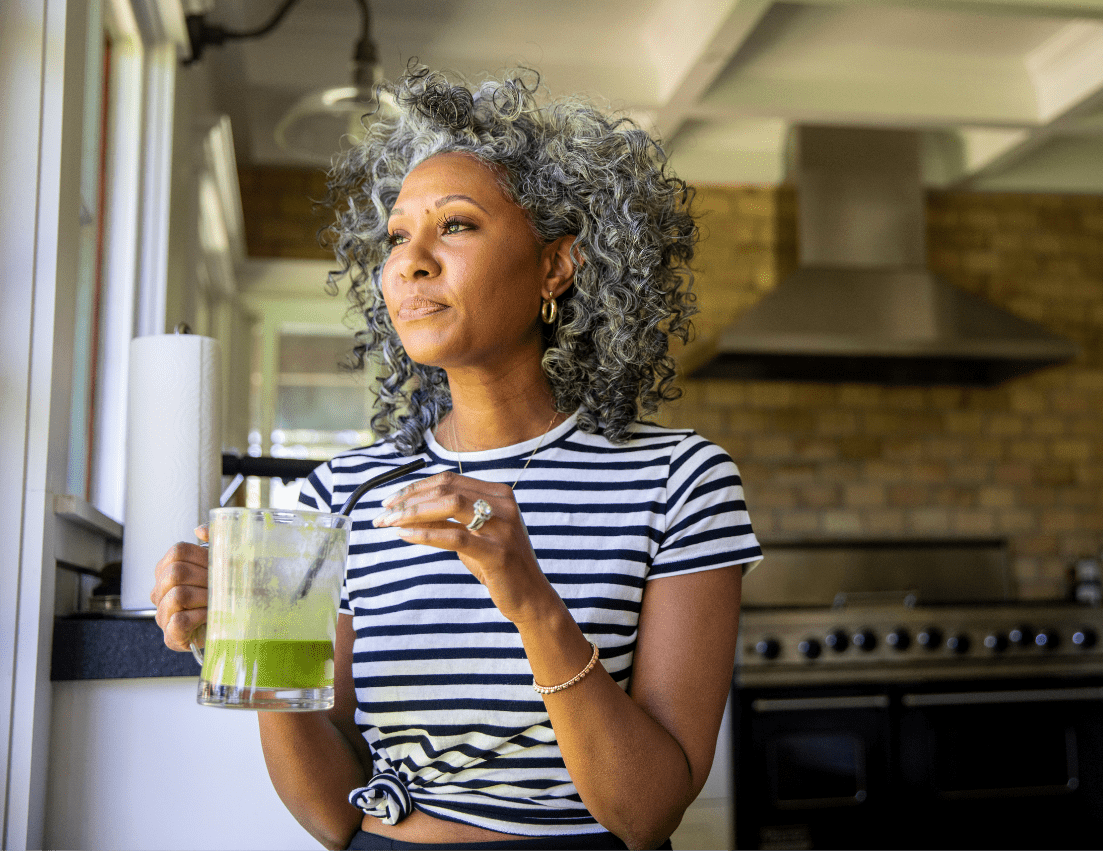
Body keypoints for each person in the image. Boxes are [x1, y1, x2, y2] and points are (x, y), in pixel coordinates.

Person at [151, 66, 761, 851]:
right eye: (399, 236)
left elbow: (646, 815)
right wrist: (250, 646)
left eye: (458, 225)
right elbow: (332, 815)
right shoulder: (332, 498)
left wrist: (530, 597)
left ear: (555, 266)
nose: (411, 261)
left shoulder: (679, 481)